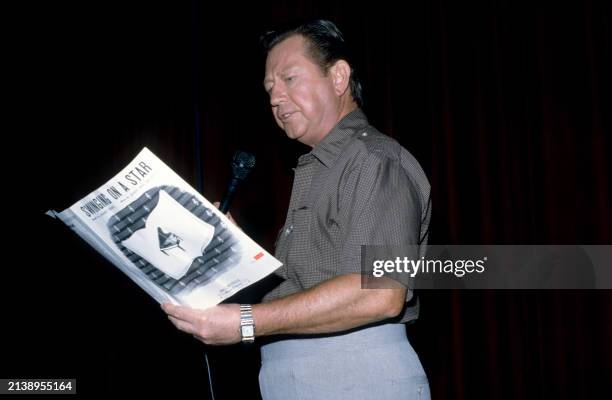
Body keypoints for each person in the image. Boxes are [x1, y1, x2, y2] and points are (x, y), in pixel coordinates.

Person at [162, 19, 432, 399]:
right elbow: (307, 284)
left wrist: (243, 322)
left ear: (339, 77)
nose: (275, 98)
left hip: (355, 374)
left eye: (289, 79)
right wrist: (234, 251)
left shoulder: (374, 158)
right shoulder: (318, 168)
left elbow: (379, 292)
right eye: (270, 88)